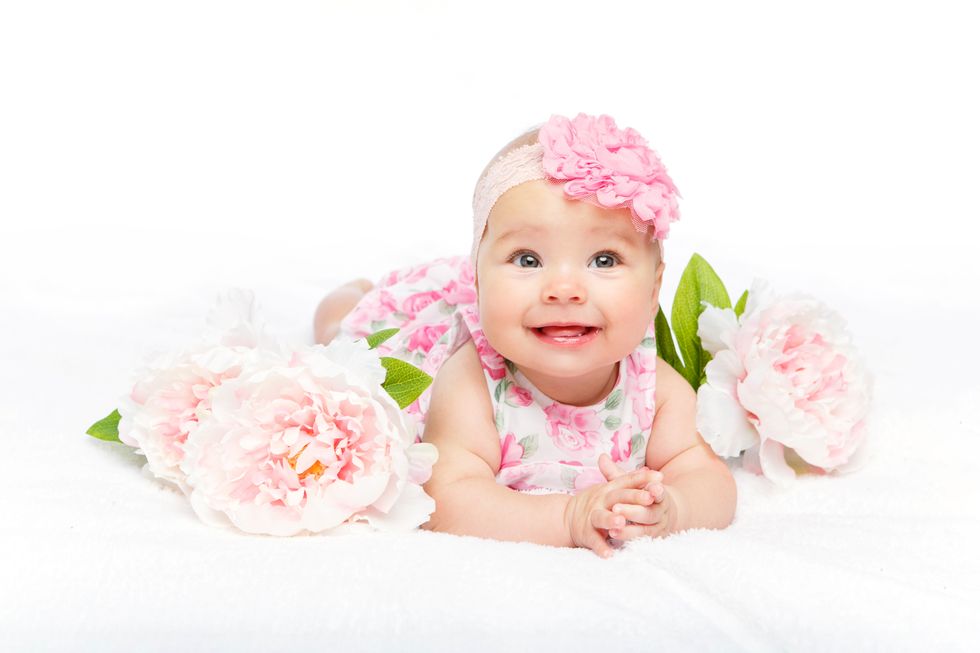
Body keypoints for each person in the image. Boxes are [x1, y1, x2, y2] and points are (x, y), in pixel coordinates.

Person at [313, 113, 736, 558]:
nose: (564, 290)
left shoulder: (655, 386)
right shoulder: (473, 377)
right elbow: (447, 495)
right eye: (528, 259)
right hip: (416, 335)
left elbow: (709, 478)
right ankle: (349, 295)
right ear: (477, 281)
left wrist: (677, 509)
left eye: (605, 260)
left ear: (653, 290)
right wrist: (567, 517)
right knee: (342, 334)